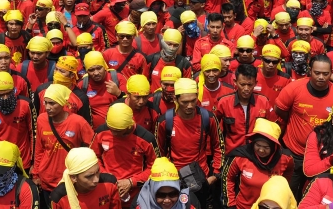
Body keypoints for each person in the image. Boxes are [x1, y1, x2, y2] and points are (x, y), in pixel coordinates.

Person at [274, 54, 333, 200]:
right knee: (288, 193)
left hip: (322, 156)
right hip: (294, 152)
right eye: (317, 73)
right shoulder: (294, 88)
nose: (321, 77)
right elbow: (280, 109)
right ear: (309, 70)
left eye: (325, 74)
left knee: (314, 196)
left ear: (331, 73)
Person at [155, 78, 225, 209]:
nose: (190, 106)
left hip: (201, 178)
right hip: (174, 178)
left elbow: (219, 146)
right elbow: (159, 153)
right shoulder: (165, 121)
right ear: (175, 100)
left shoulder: (207, 118)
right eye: (185, 102)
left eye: (193, 101)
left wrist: (215, 175)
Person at [32, 84, 95, 204]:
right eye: (45, 103)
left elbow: (93, 147)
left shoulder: (78, 122)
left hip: (70, 181)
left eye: (52, 103)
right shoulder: (41, 119)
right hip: (46, 180)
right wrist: (36, 174)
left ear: (62, 103)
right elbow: (39, 149)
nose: (47, 107)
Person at [91, 103, 159, 206]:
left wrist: (131, 182)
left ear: (129, 126)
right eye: (111, 129)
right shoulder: (101, 131)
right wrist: (106, 176)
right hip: (107, 191)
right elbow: (93, 158)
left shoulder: (146, 139)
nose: (113, 133)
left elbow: (156, 168)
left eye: (118, 131)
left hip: (136, 196)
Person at [223, 119, 294, 209]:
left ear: (274, 147)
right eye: (258, 145)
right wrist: (231, 204)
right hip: (243, 206)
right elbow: (227, 178)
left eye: (266, 147)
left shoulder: (286, 159)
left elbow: (287, 178)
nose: (261, 150)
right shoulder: (240, 157)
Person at [0, 72, 36, 171]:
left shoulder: (25, 104)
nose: (5, 98)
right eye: (0, 95)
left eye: (9, 93)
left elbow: (34, 133)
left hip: (23, 161)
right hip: (0, 162)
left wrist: (34, 162)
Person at [216, 64, 272, 153]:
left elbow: (270, 130)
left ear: (255, 83)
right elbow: (215, 130)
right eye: (242, 84)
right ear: (235, 82)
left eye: (250, 85)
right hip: (232, 153)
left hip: (255, 154)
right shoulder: (223, 102)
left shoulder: (263, 102)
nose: (246, 88)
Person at [50, 147, 121, 209]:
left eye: (98, 171)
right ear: (74, 177)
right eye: (89, 176)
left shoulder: (110, 184)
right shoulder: (59, 197)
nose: (96, 179)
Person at [79, 51, 126, 129]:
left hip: (119, 129)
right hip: (96, 132)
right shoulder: (83, 85)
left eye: (99, 68)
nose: (96, 73)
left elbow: (132, 103)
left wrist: (119, 93)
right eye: (91, 70)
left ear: (104, 66)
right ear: (86, 71)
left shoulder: (117, 78)